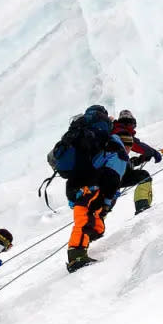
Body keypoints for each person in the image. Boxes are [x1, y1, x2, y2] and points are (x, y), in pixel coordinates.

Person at [61, 105, 130, 273]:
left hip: (74, 184)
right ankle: (76, 256)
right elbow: (114, 172)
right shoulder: (109, 141)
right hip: (92, 184)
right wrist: (106, 201)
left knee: (91, 221)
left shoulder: (79, 135)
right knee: (86, 218)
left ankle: (81, 247)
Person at [111, 110, 163, 214]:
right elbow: (138, 146)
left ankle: (91, 226)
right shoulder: (121, 132)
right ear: (130, 123)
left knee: (104, 203)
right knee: (144, 176)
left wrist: (138, 160)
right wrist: (153, 153)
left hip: (104, 174)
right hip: (113, 175)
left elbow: (116, 159)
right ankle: (142, 207)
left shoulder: (112, 132)